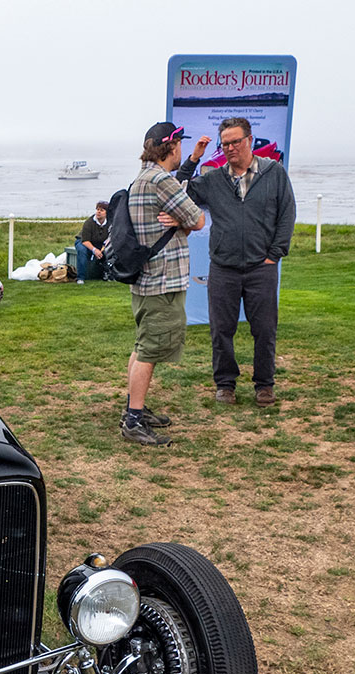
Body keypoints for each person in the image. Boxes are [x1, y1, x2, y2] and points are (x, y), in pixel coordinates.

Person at [172, 116, 296, 407]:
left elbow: (287, 214)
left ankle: (264, 385)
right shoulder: (214, 179)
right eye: (224, 144)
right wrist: (193, 159)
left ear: (249, 141)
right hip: (223, 267)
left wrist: (274, 254)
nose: (229, 148)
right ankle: (225, 385)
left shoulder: (274, 173)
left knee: (264, 329)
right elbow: (178, 190)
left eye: (235, 142)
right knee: (221, 329)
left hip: (260, 268)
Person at [121, 123, 205, 446]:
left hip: (146, 279)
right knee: (149, 351)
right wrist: (184, 222)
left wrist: (179, 221)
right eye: (180, 145)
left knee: (142, 345)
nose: (182, 149)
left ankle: (133, 407)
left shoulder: (142, 178)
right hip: (163, 280)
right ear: (171, 148)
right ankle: (133, 421)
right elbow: (198, 219)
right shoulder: (161, 181)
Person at [74, 201, 110, 283]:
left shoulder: (110, 223)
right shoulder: (89, 222)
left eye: (102, 210)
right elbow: (85, 241)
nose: (99, 212)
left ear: (107, 213)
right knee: (82, 251)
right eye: (97, 209)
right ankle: (81, 278)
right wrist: (95, 250)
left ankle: (108, 274)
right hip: (83, 241)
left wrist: (103, 248)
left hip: (100, 243)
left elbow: (111, 237)